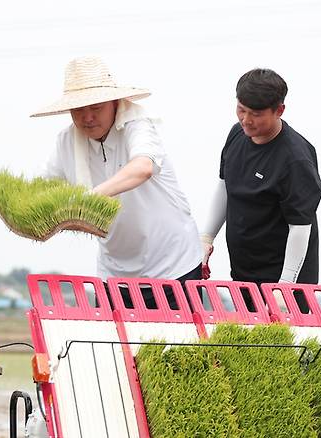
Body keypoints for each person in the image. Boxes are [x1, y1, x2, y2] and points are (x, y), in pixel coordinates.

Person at [30, 56, 202, 309]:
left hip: (173, 266)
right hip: (115, 273)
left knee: (174, 348)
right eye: (78, 109)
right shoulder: (67, 141)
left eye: (96, 107)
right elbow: (43, 192)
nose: (87, 117)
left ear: (114, 103)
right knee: (116, 348)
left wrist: (88, 200)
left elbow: (143, 166)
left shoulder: (138, 125)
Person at [200, 68, 321, 311]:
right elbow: (226, 186)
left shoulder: (296, 159)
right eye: (241, 110)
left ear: (279, 110)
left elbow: (300, 228)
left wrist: (285, 287)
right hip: (244, 269)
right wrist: (206, 238)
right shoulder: (237, 135)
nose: (246, 120)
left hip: (285, 276)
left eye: (255, 114)